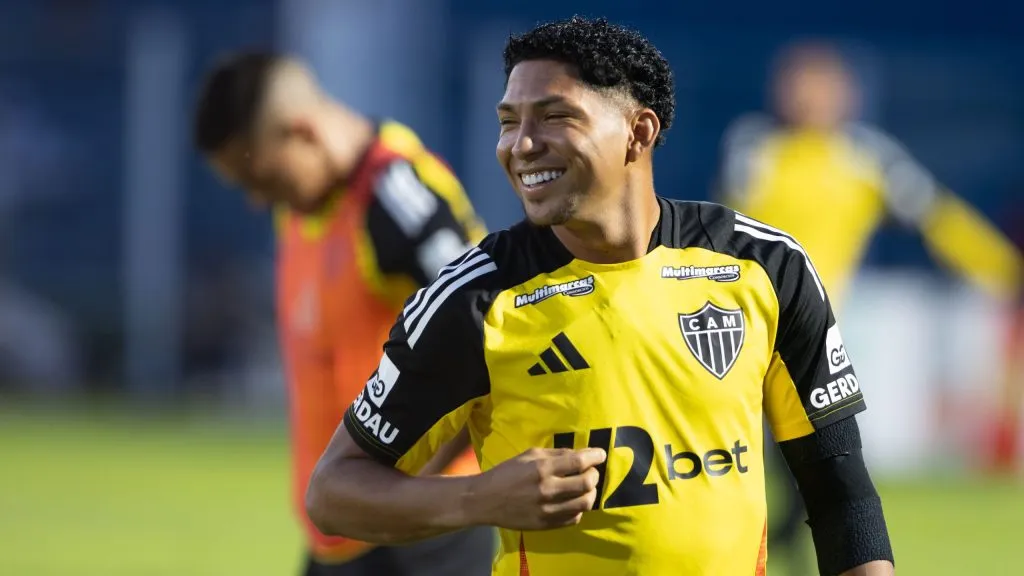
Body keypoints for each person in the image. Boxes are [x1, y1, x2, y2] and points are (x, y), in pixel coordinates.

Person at [306, 17, 895, 576]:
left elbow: (838, 485)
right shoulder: (476, 299)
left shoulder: (764, 267)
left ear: (639, 132)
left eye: (554, 116)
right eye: (509, 121)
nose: (521, 144)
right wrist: (478, 498)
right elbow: (333, 492)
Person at [717, 41, 1024, 567]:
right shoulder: (755, 149)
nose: (807, 98)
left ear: (847, 95)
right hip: (745, 321)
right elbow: (728, 229)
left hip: (815, 329)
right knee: (753, 451)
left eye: (819, 86)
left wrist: (1000, 268)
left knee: (816, 451)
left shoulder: (865, 160)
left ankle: (794, 543)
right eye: (796, 85)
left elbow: (937, 216)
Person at [191, 52, 495, 576]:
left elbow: (491, 331)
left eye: (259, 178)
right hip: (343, 530)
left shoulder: (396, 198)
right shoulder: (306, 205)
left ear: (302, 132)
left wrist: (411, 493)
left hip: (423, 540)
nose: (257, 201)